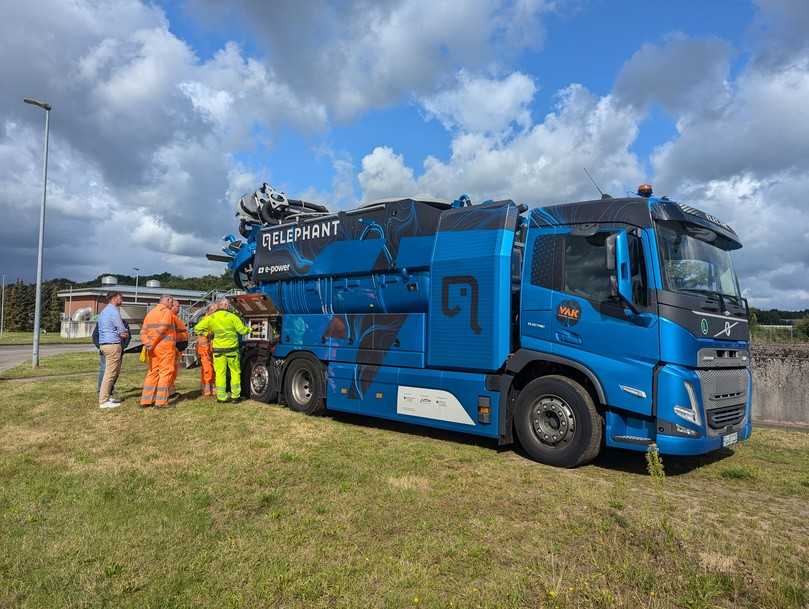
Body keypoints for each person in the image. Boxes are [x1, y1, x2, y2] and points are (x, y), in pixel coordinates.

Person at [194, 299, 250, 403]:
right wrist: (250, 329)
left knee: (220, 373)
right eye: (228, 305)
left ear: (219, 306)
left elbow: (197, 328)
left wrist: (208, 334)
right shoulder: (233, 317)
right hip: (232, 350)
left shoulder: (212, 317)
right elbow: (242, 331)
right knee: (235, 372)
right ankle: (235, 396)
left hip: (218, 350)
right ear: (227, 306)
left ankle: (221, 397)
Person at [140, 295, 178, 408]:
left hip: (153, 349)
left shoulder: (150, 313)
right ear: (167, 300)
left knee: (152, 373)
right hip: (165, 348)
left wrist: (147, 343)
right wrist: (151, 342)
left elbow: (143, 331)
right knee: (165, 373)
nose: (172, 304)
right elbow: (163, 328)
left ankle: (146, 400)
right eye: (171, 302)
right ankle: (161, 402)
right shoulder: (167, 312)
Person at [96, 292, 129, 409]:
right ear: (114, 298)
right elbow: (122, 330)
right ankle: (103, 400)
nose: (122, 299)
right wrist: (124, 333)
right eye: (121, 297)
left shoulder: (104, 311)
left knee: (110, 372)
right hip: (112, 344)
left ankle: (106, 396)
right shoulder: (114, 311)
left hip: (105, 344)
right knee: (110, 373)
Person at [94, 318, 131, 394]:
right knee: (104, 370)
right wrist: (100, 347)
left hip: (119, 351)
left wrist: (122, 347)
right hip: (106, 351)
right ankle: (101, 390)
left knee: (115, 371)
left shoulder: (123, 323)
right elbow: (95, 336)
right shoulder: (102, 322)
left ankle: (110, 389)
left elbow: (128, 336)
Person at [167, 299, 188, 398]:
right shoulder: (170, 317)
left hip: (177, 348)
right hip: (173, 348)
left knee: (173, 371)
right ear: (172, 306)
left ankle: (171, 390)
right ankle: (168, 391)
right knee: (170, 371)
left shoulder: (175, 317)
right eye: (177, 306)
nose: (179, 308)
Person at [195, 304, 216, 397]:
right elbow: (198, 331)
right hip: (204, 349)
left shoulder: (214, 320)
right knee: (207, 369)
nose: (216, 313)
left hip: (213, 348)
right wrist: (208, 334)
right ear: (209, 311)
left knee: (214, 369)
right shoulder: (204, 321)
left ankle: (212, 388)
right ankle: (206, 389)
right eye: (214, 310)